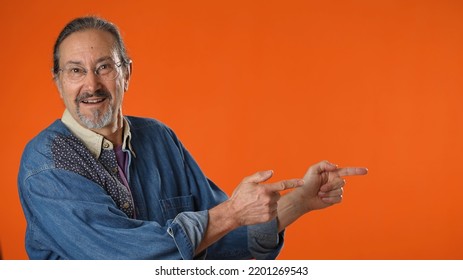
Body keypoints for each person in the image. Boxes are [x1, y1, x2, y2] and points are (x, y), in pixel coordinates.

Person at [17, 16, 368, 260]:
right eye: (75, 70)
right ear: (59, 81)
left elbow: (217, 239)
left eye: (104, 66)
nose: (91, 85)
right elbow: (127, 260)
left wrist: (301, 202)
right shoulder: (46, 165)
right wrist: (231, 213)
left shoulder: (159, 138)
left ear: (127, 74)